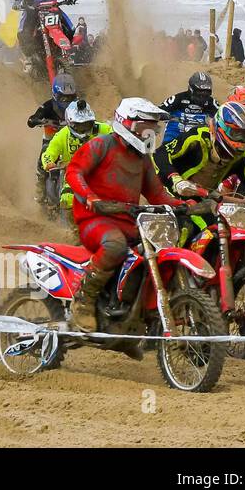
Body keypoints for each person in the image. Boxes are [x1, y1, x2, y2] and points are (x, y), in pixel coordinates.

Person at [65, 97, 179, 334]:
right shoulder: (102, 144)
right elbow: (74, 172)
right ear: (126, 123)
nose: (149, 133)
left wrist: (184, 205)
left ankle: (133, 315)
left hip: (129, 221)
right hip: (93, 219)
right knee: (115, 246)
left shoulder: (143, 159)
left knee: (157, 252)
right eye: (145, 127)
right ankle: (83, 300)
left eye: (153, 128)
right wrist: (90, 197)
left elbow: (157, 194)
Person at [152, 101, 245, 252]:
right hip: (171, 190)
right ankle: (169, 265)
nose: (241, 140)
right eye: (237, 133)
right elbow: (160, 155)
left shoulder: (242, 156)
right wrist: (175, 179)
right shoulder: (197, 137)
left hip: (202, 197)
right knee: (187, 228)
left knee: (219, 232)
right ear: (221, 127)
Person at [40, 99, 112, 224]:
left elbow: (118, 136)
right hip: (73, 173)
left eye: (87, 124)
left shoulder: (103, 129)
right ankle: (71, 229)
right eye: (80, 125)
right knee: (67, 198)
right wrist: (49, 164)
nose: (84, 129)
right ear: (70, 123)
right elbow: (48, 154)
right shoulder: (62, 135)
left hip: (99, 170)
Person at [27, 72, 78, 201]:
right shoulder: (48, 106)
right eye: (64, 98)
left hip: (71, 138)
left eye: (71, 97)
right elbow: (32, 119)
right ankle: (40, 185)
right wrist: (37, 120)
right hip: (50, 140)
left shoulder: (78, 105)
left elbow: (89, 115)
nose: (67, 101)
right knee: (44, 154)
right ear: (55, 95)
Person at [160, 71, 218, 144]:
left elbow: (221, 116)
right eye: (199, 92)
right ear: (191, 89)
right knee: (165, 149)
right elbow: (159, 110)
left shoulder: (211, 102)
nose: (202, 96)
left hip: (200, 134)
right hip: (176, 131)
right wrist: (164, 116)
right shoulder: (178, 98)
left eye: (206, 93)